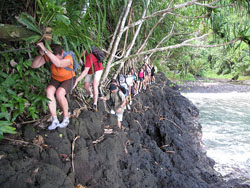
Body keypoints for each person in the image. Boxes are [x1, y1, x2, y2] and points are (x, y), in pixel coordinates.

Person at [32, 42, 75, 130]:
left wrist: (45, 50)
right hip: (56, 79)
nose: (53, 61)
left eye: (55, 58)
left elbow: (59, 63)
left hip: (68, 79)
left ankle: (66, 118)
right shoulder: (49, 56)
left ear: (62, 53)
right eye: (53, 58)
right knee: (49, 91)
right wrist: (42, 54)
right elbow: (34, 65)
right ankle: (54, 119)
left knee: (60, 93)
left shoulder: (68, 57)